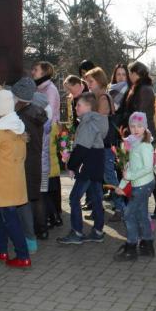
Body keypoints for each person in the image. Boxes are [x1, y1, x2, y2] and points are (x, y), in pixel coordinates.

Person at [0, 89, 31, 268]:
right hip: (15, 181)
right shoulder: (18, 128)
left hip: (1, 184)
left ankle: (23, 255)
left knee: (9, 219)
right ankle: (0, 249)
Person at [57, 92, 108, 245]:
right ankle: (98, 231)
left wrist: (71, 165)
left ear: (89, 106)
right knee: (97, 198)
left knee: (74, 198)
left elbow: (82, 149)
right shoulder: (95, 121)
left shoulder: (88, 124)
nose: (76, 107)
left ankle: (77, 232)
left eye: (79, 105)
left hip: (87, 167)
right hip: (95, 166)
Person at [121, 61, 156, 219]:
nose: (129, 76)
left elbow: (139, 114)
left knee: (147, 169)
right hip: (137, 134)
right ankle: (155, 203)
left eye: (130, 72)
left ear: (136, 73)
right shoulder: (138, 87)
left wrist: (130, 127)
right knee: (143, 168)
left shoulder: (145, 89)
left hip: (145, 135)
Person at [113, 112, 156, 261]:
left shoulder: (145, 145)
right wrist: (122, 186)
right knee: (142, 214)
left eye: (139, 126)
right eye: (132, 126)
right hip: (138, 184)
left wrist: (129, 177)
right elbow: (129, 167)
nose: (136, 129)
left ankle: (131, 247)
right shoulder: (134, 142)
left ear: (145, 127)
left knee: (128, 215)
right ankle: (147, 245)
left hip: (143, 185)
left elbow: (148, 168)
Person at [11, 77, 47, 251]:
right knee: (34, 197)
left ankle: (29, 236)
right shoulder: (35, 113)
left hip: (24, 162)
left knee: (24, 201)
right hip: (34, 161)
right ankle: (40, 230)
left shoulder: (22, 118)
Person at [84, 67, 123, 222]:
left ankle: (120, 208)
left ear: (99, 81)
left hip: (104, 145)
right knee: (98, 179)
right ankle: (97, 209)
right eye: (87, 81)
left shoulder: (103, 98)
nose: (88, 84)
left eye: (91, 81)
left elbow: (98, 123)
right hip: (99, 144)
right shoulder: (98, 97)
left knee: (109, 177)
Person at [31, 61, 62, 227]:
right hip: (42, 129)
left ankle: (54, 213)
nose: (33, 72)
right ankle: (52, 213)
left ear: (44, 72)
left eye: (35, 69)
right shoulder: (39, 88)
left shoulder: (49, 89)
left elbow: (47, 114)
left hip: (47, 129)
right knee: (47, 173)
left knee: (49, 171)